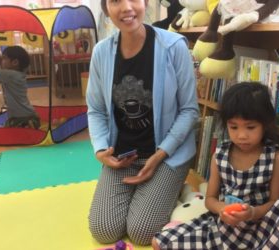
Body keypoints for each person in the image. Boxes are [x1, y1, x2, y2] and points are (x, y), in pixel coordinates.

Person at [152, 82, 279, 249]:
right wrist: (223, 210)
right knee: (159, 242)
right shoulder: (220, 155)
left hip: (262, 228)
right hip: (224, 228)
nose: (242, 135)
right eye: (234, 127)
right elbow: (210, 200)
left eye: (250, 127)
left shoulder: (276, 156)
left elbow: (276, 203)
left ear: (264, 125)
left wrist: (252, 213)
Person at [86, 0, 199, 246]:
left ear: (145, 2)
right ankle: (150, 193)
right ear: (106, 9)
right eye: (116, 1)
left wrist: (159, 155)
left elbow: (190, 110)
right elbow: (95, 110)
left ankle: (170, 186)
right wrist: (101, 150)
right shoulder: (102, 53)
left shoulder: (174, 46)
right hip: (122, 157)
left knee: (141, 232)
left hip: (165, 155)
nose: (127, 7)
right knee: (103, 229)